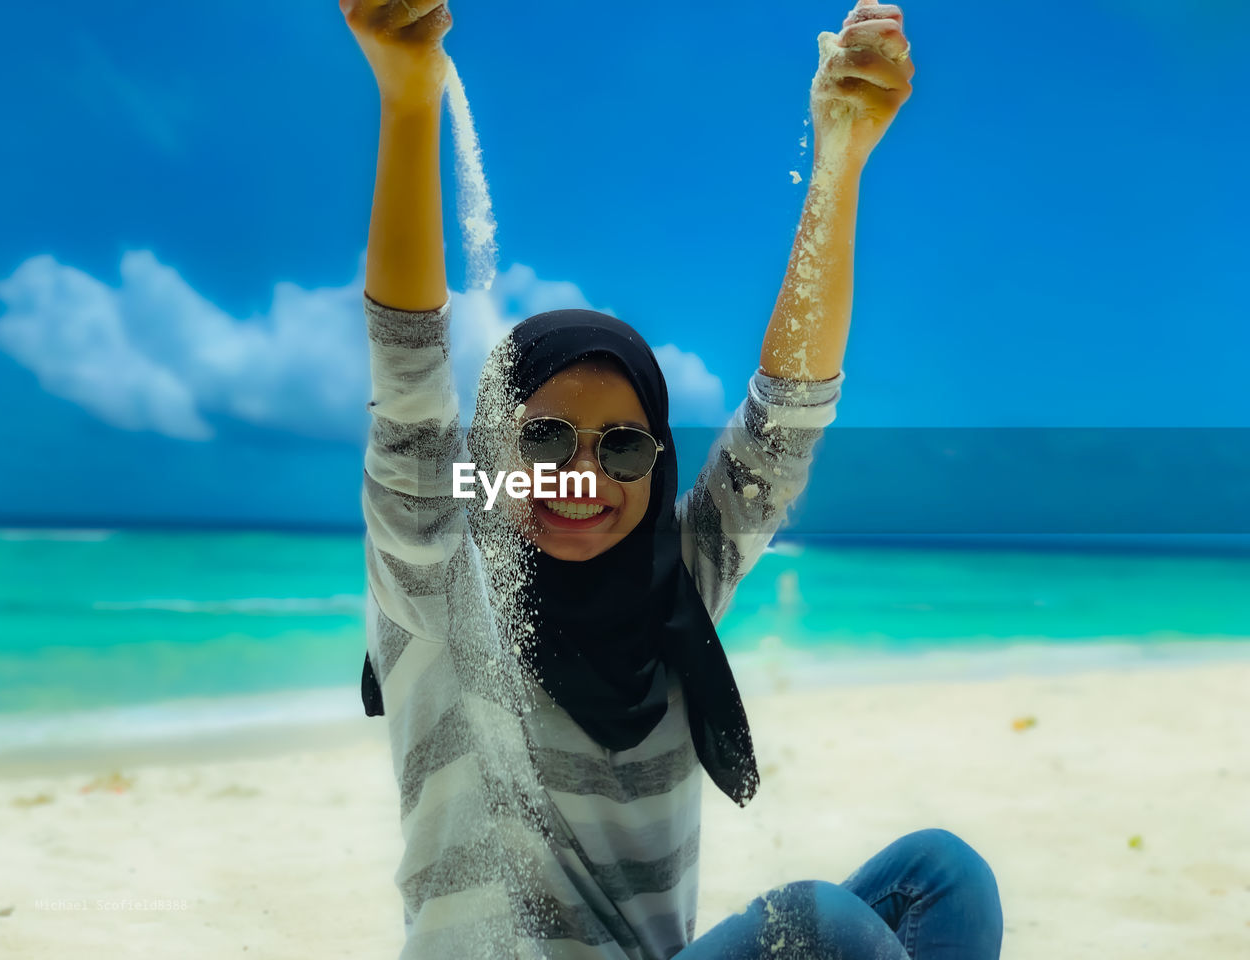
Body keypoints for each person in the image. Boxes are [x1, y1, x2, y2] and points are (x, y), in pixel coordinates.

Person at [340, 1, 1003, 958]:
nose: (582, 476)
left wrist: (841, 159)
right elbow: (406, 378)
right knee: (822, 929)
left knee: (942, 878)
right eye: (546, 440)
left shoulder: (673, 588)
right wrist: (408, 102)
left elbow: (785, 418)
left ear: (658, 470)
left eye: (621, 448)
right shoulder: (447, 596)